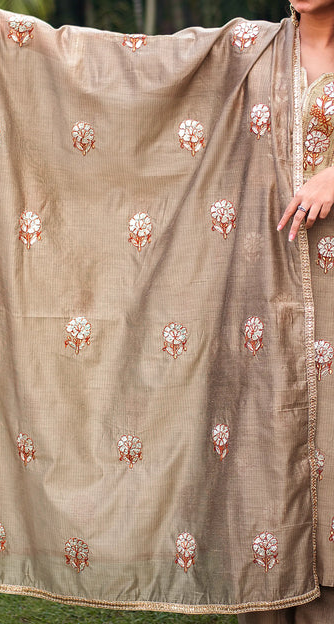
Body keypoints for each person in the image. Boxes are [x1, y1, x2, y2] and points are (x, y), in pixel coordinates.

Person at [239, 2, 334, 622]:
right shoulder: (248, 49)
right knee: (263, 437)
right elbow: (141, 69)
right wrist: (12, 38)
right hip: (260, 288)